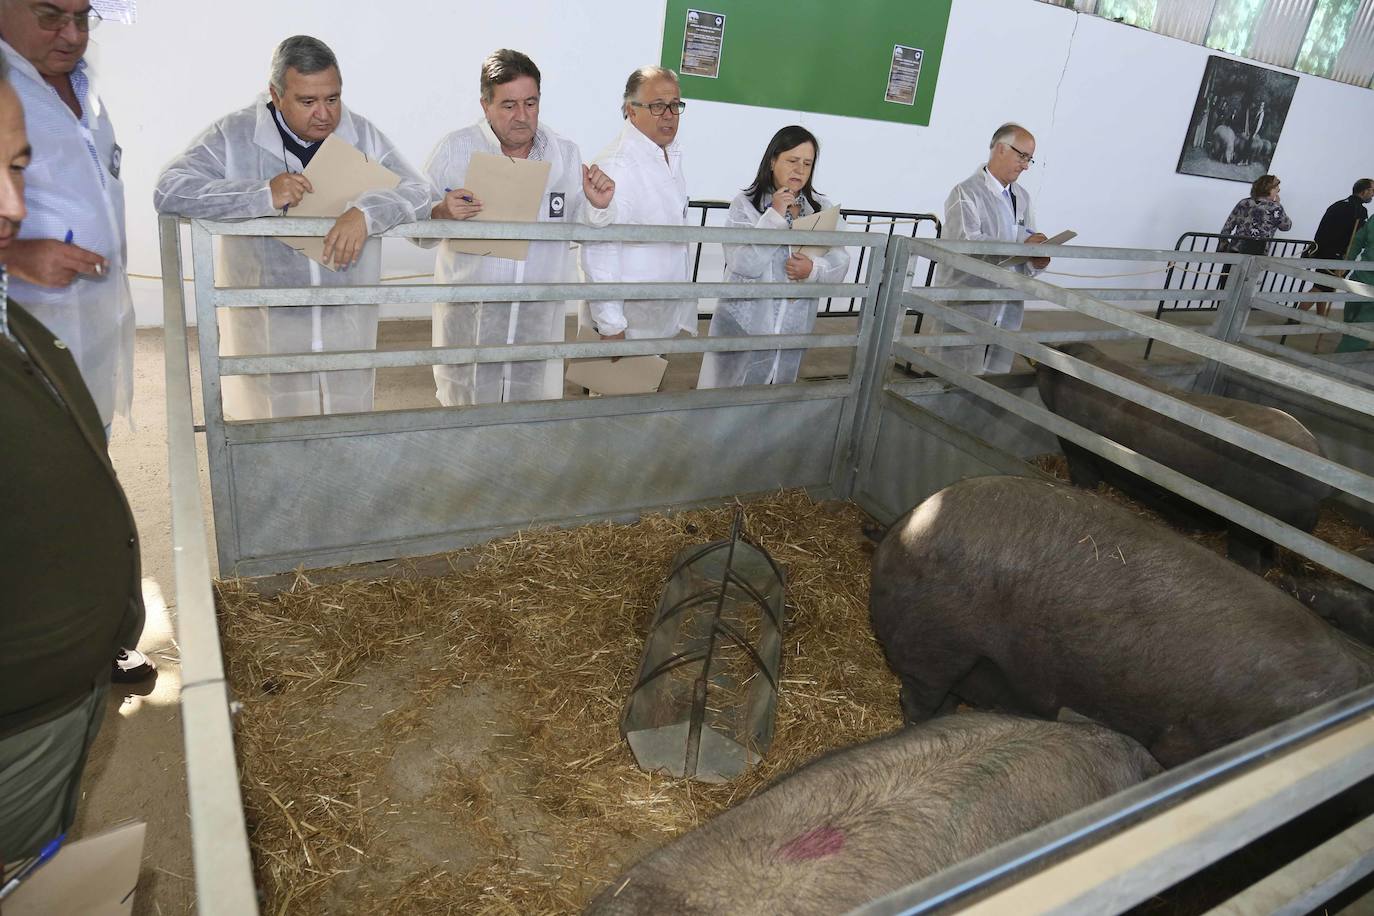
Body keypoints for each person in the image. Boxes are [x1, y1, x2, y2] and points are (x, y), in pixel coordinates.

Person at [0, 49, 145, 870]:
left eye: (18, 168)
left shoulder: (13, 323)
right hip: (22, 712)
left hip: (58, 691)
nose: (13, 205)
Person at [153, 35, 432, 420]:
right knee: (268, 426)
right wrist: (260, 194)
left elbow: (419, 192)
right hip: (269, 324)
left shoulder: (361, 134)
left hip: (343, 324)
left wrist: (367, 212)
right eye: (307, 101)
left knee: (342, 428)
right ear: (276, 94)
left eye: (332, 98)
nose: (324, 114)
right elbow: (170, 189)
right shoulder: (234, 135)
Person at [422, 49, 615, 405]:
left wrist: (598, 205)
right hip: (472, 320)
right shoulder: (456, 150)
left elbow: (585, 227)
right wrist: (440, 212)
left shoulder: (565, 155)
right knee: (467, 412)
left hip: (536, 320)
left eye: (531, 103)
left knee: (529, 417)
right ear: (485, 105)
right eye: (509, 105)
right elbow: (417, 226)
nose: (522, 117)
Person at [0, 0, 134, 436]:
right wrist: (14, 256)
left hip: (95, 323)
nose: (74, 35)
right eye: (50, 16)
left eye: (81, 17)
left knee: (87, 441)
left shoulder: (82, 84)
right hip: (24, 330)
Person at [697, 125, 849, 389]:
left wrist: (814, 269)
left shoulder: (820, 209)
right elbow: (743, 263)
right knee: (727, 399)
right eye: (792, 161)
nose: (799, 170)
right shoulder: (746, 205)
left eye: (807, 163)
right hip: (744, 327)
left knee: (774, 402)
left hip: (792, 330)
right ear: (772, 161)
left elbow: (841, 260)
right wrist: (774, 216)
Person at [580, 66, 694, 345]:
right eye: (657, 106)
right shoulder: (618, 166)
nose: (669, 114)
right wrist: (611, 324)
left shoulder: (667, 153)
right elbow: (600, 248)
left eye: (675, 105)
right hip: (629, 326)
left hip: (658, 318)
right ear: (632, 111)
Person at [927, 123, 1051, 375]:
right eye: (1022, 156)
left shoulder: (1022, 197)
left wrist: (1036, 259)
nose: (1026, 166)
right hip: (968, 301)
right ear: (1001, 149)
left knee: (992, 382)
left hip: (1006, 303)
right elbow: (967, 245)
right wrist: (1021, 248)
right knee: (953, 376)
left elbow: (1026, 239)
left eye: (1029, 159)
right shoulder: (965, 193)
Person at [1304, 179, 1372, 316]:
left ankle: (1321, 317)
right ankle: (1294, 316)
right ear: (1364, 191)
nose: (1373, 194)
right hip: (1337, 255)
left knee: (1325, 286)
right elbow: (1357, 238)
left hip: (1323, 251)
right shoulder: (1359, 210)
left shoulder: (1338, 204)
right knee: (1321, 287)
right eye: (1372, 190)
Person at [1335, 216, 1374, 353]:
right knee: (1350, 317)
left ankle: (1339, 360)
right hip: (1360, 278)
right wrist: (1346, 262)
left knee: (1364, 324)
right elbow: (1357, 241)